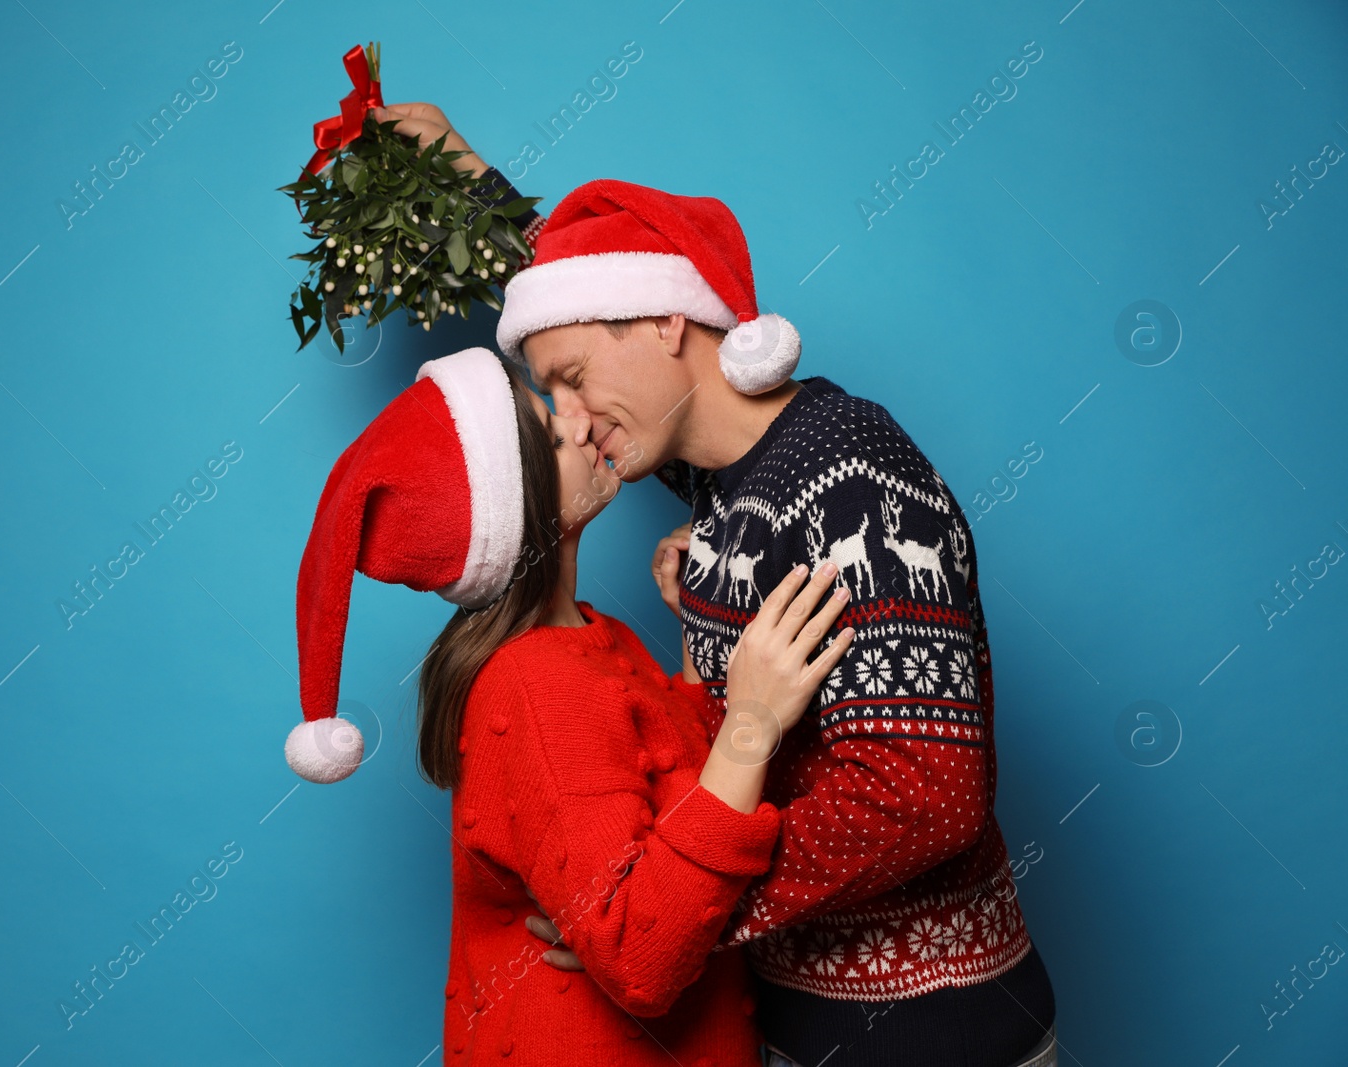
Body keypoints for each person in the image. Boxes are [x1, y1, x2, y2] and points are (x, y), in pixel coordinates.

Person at [365, 104, 1060, 1067]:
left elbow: (927, 793)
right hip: (788, 1020)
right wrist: (466, 180)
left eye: (569, 379)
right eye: (550, 396)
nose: (569, 419)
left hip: (931, 1033)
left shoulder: (851, 469)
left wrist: (672, 910)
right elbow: (582, 284)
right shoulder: (721, 469)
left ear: (664, 317)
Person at [283, 346, 857, 1065]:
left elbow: (655, 799)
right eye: (554, 431)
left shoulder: (586, 633)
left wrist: (692, 646)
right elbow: (638, 951)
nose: (582, 422)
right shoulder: (535, 684)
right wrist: (753, 721)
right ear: (517, 507)